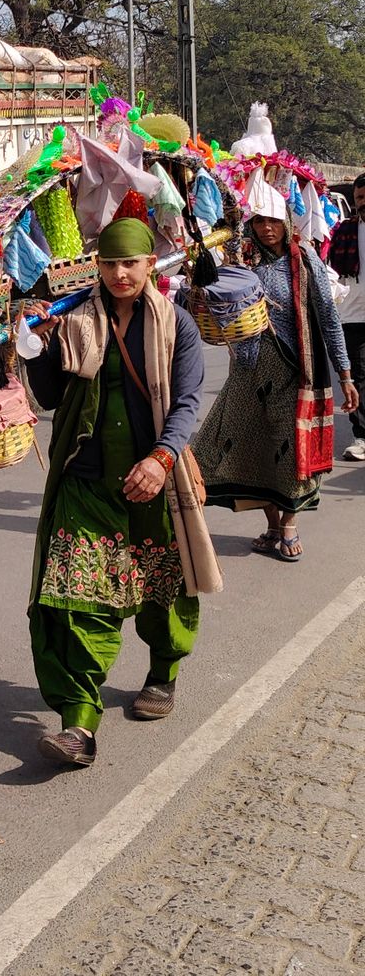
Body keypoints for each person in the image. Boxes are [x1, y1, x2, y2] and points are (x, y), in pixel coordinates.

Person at [24, 217, 217, 767]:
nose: (119, 274)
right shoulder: (75, 321)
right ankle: (79, 725)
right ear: (96, 267)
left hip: (154, 483)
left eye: (129, 263)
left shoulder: (177, 326)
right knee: (75, 601)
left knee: (162, 592)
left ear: (150, 265)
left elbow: (186, 405)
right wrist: (36, 345)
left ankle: (163, 672)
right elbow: (51, 397)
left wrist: (161, 459)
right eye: (108, 264)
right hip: (85, 481)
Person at [193, 182, 358, 561]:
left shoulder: (305, 262)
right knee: (238, 443)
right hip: (248, 372)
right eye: (259, 221)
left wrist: (345, 373)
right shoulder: (243, 263)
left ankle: (288, 525)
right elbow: (217, 305)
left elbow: (329, 319)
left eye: (273, 221)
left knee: (289, 449)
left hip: (293, 372)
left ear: (286, 222)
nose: (267, 228)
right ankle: (269, 522)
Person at [327, 173, 365, 461]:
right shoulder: (343, 231)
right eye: (360, 198)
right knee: (359, 377)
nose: (363, 203)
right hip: (353, 314)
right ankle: (361, 437)